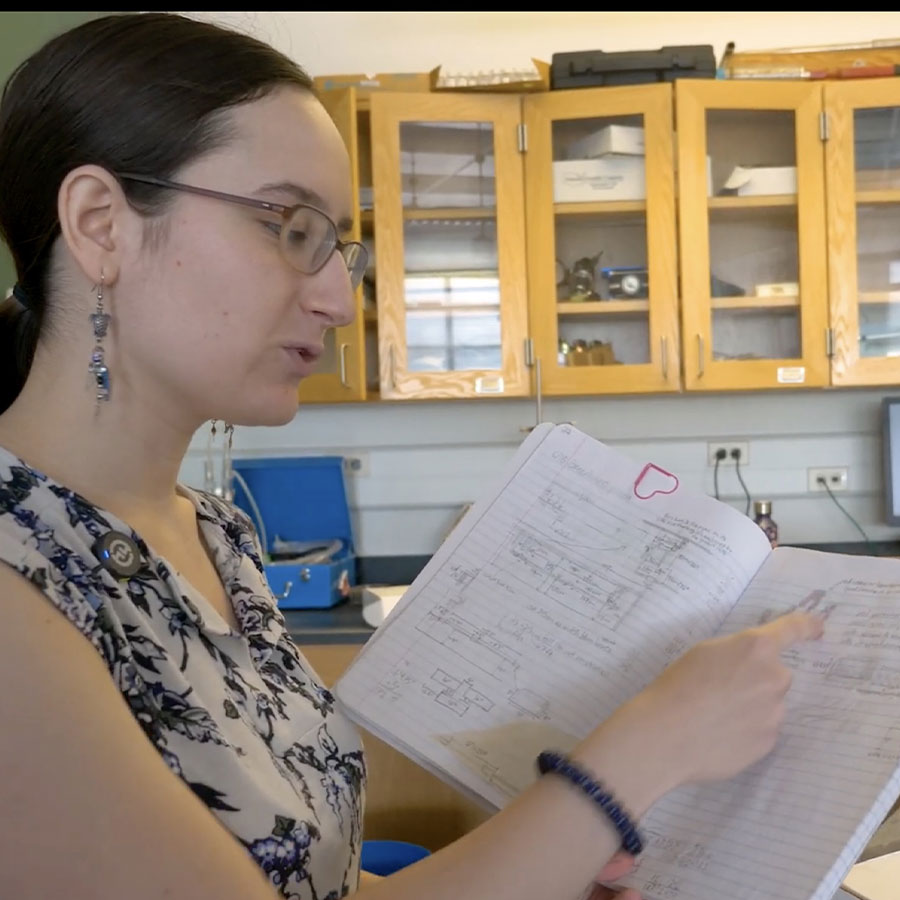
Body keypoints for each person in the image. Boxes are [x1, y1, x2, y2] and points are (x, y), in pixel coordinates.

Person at [0, 12, 824, 900]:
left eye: (337, 246)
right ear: (99, 225)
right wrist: (636, 757)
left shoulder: (217, 537)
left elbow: (310, 880)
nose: (337, 299)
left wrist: (537, 874)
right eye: (288, 226)